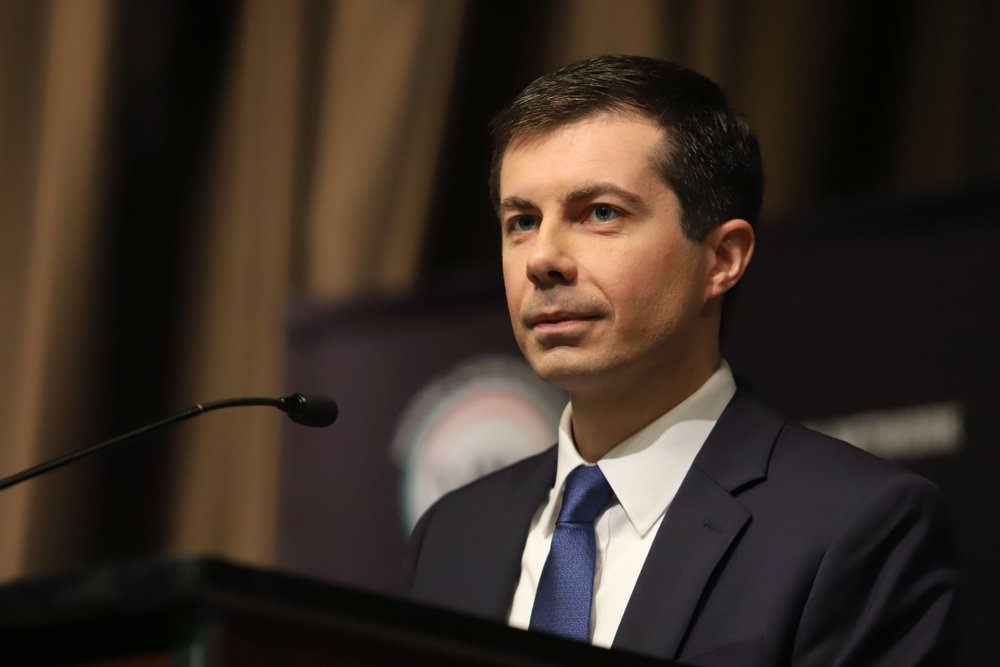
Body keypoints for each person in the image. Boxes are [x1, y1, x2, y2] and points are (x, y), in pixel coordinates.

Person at [405, 54, 960, 665]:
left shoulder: (856, 525)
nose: (543, 258)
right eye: (522, 221)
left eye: (600, 213)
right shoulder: (453, 532)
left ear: (723, 258)